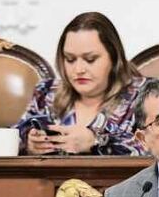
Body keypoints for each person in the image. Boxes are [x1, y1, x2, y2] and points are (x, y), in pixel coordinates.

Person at [15, 12, 146, 155]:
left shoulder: (146, 95)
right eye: (70, 59)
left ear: (114, 57)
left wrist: (96, 141)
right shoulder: (46, 93)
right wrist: (29, 144)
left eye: (90, 59)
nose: (78, 70)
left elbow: (157, 147)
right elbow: (12, 138)